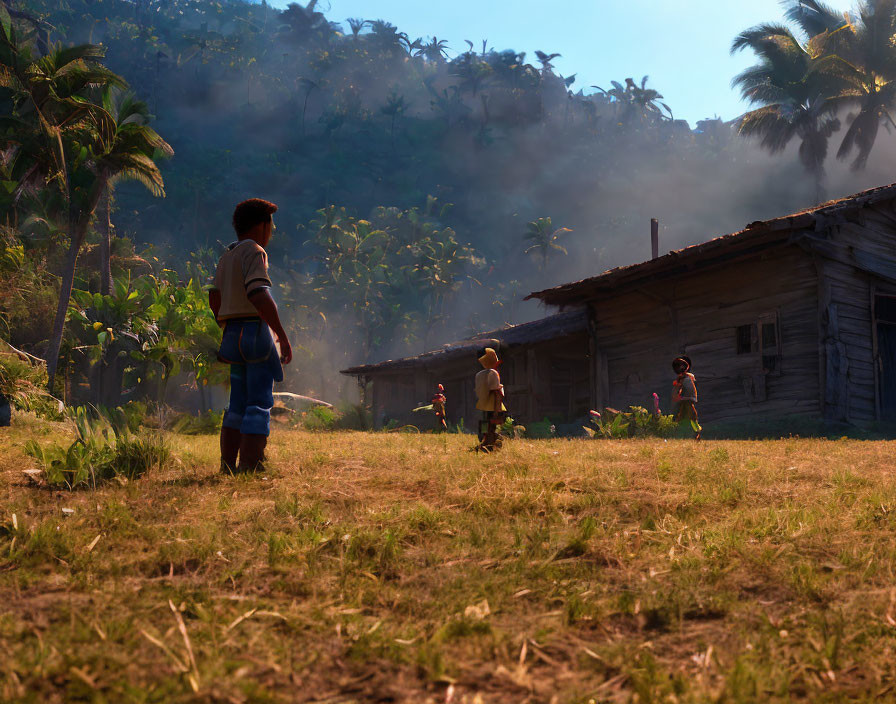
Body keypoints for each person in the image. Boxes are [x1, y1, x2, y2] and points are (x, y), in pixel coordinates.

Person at [209, 198, 293, 473]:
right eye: (271, 225)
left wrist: (225, 324)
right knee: (259, 400)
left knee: (238, 401)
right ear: (261, 226)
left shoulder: (227, 255)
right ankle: (251, 462)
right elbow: (259, 294)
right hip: (255, 333)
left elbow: (214, 297)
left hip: (232, 334)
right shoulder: (255, 252)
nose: (272, 232)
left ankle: (227, 464)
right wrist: (280, 334)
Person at [475, 346, 506, 451]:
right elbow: (496, 390)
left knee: (485, 422)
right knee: (492, 424)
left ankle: (485, 440)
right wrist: (497, 408)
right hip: (492, 403)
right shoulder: (493, 373)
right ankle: (489, 443)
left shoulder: (479, 374)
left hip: (483, 403)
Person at [671, 355, 701, 440]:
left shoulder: (687, 376)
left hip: (688, 400)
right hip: (686, 400)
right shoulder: (681, 379)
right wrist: (678, 395)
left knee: (686, 417)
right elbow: (678, 389)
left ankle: (693, 433)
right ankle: (694, 433)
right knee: (690, 417)